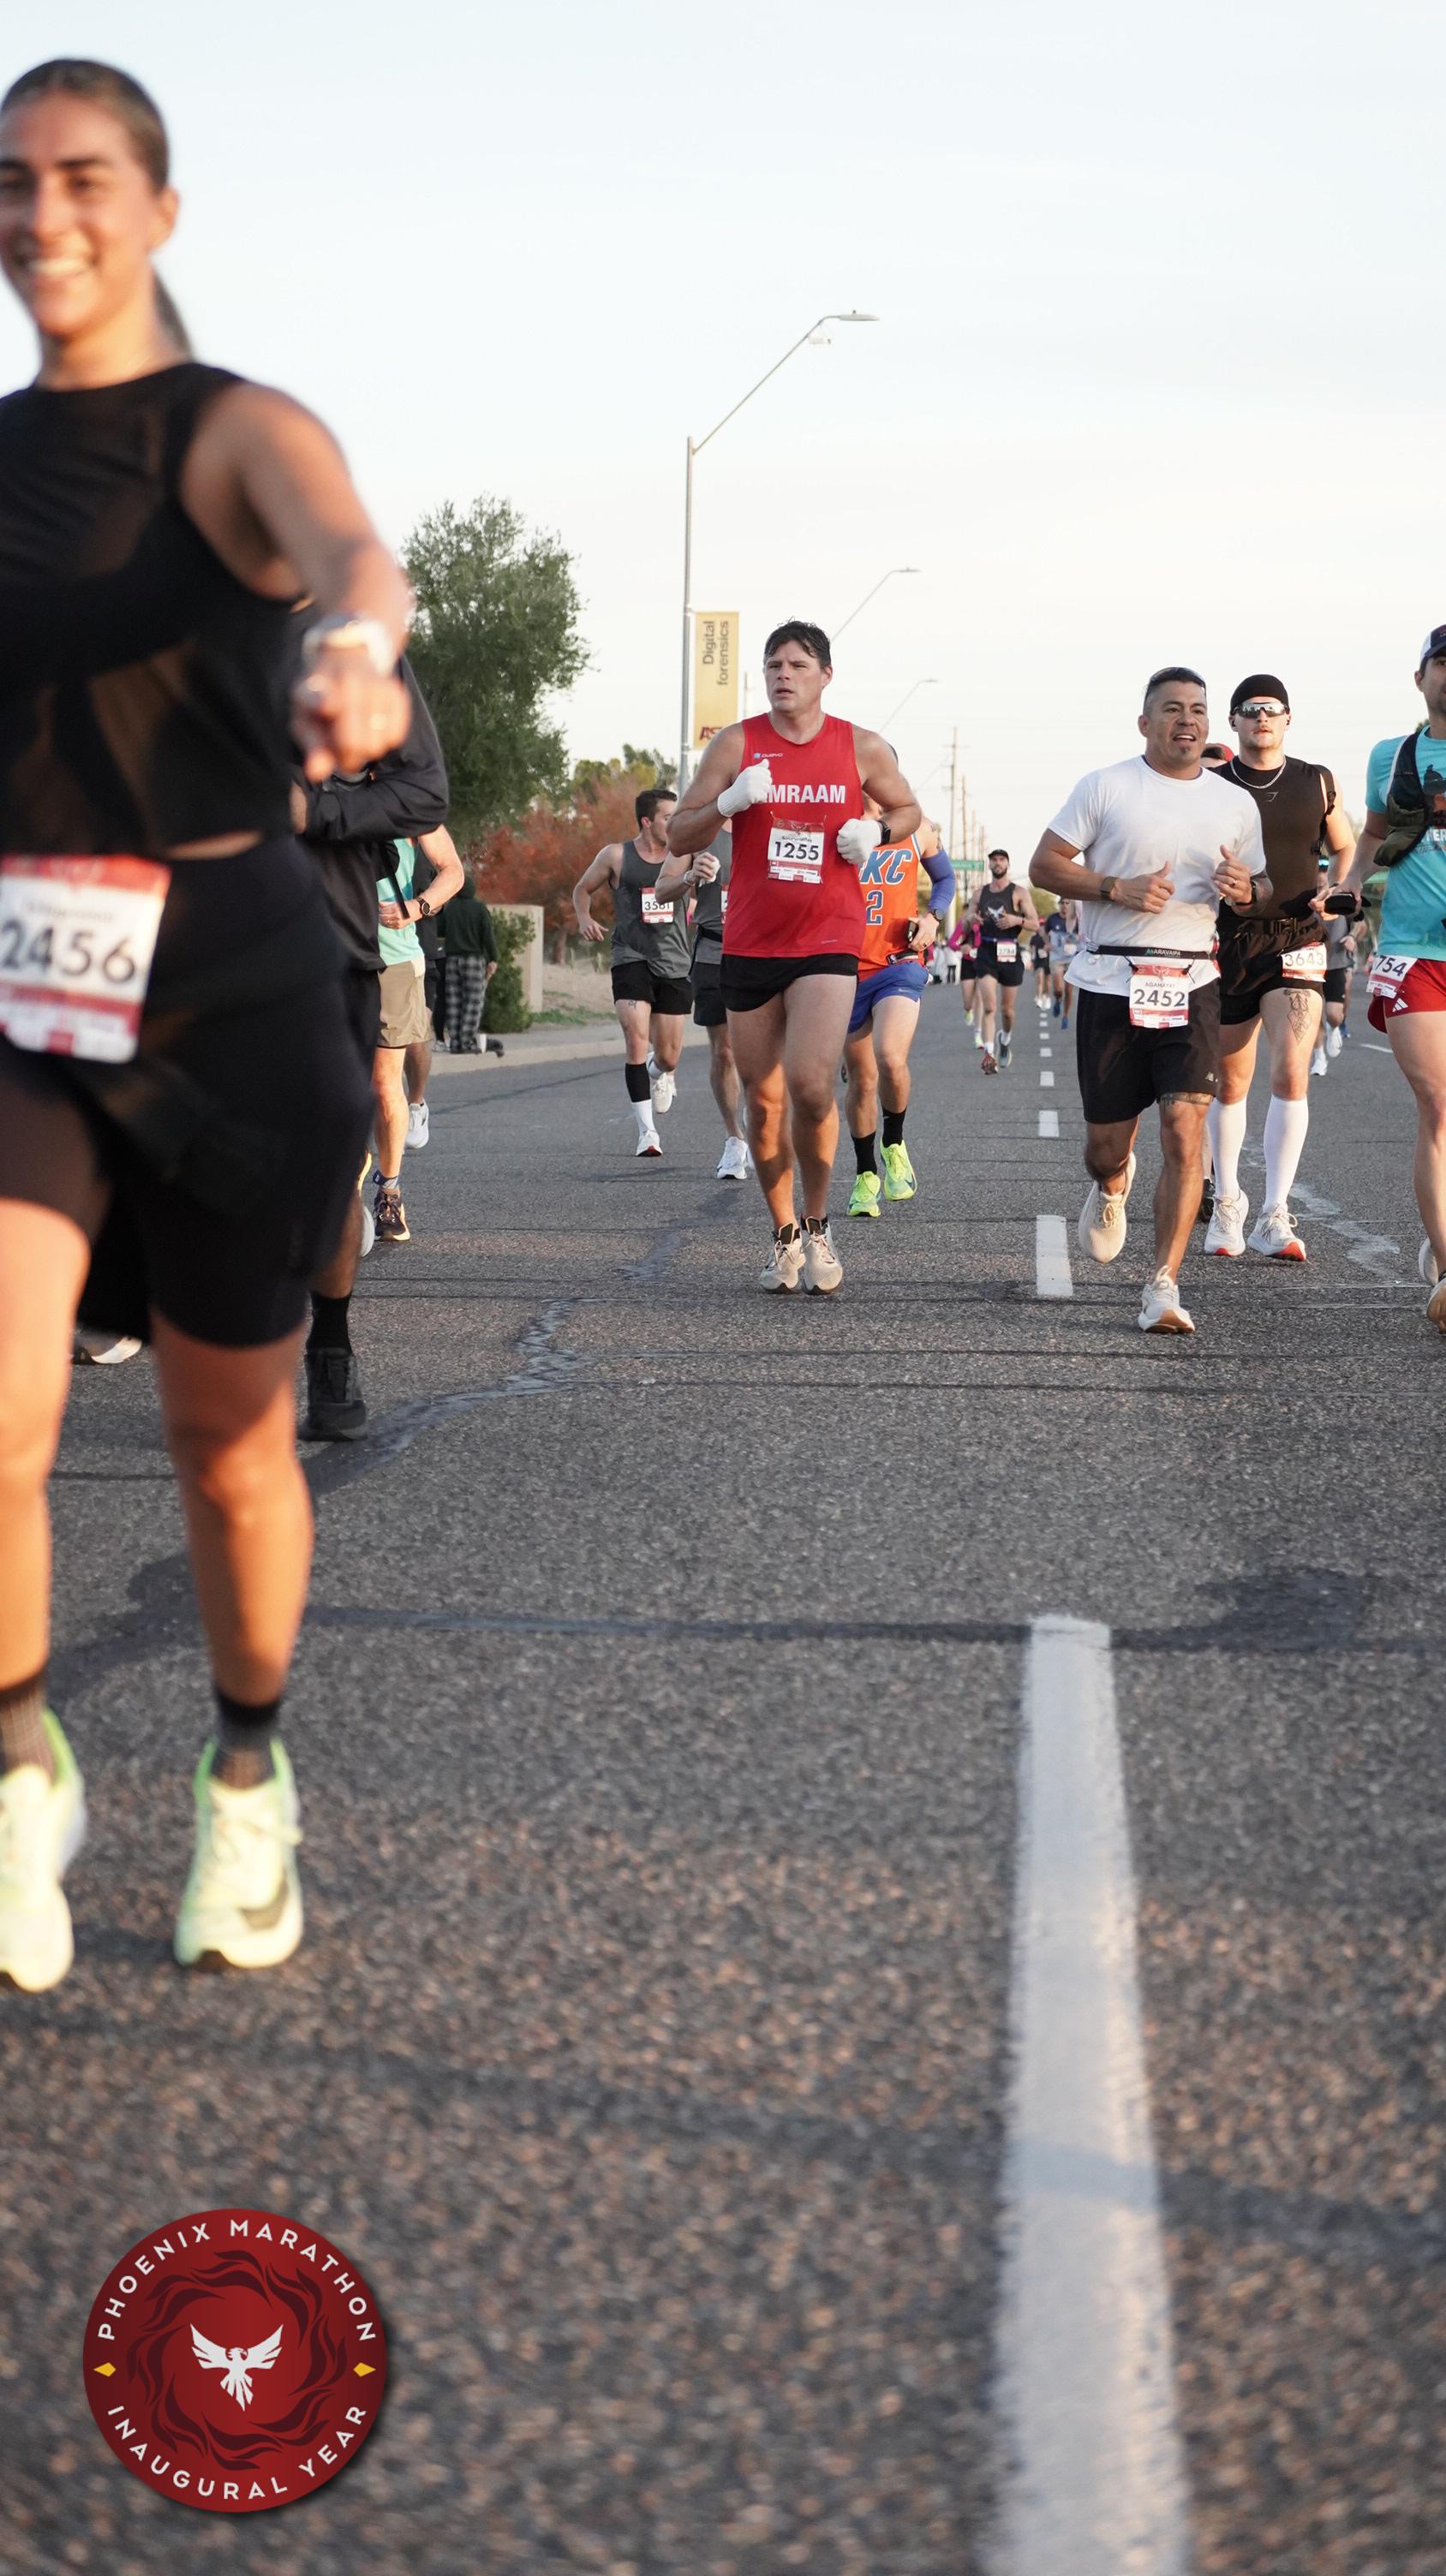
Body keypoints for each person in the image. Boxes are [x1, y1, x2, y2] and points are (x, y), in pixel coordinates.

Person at [0, 57, 414, 1990]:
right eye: (13, 181)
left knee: (224, 1443)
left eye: (83, 176)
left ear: (158, 208)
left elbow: (348, 549)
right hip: (27, 994)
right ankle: (22, 1768)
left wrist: (357, 646)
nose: (43, 212)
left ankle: (248, 1775)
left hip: (233, 989)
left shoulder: (230, 427)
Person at [666, 620, 920, 1292]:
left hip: (827, 939)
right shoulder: (737, 743)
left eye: (799, 665)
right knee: (765, 1099)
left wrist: (877, 830)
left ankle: (818, 1225)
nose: (784, 675)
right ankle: (783, 1236)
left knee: (811, 1083)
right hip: (751, 941)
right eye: (774, 665)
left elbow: (909, 809)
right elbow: (680, 834)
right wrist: (728, 802)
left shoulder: (859, 746)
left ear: (825, 675)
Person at [1029, 668, 1268, 1333]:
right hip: (1111, 978)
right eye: (1171, 709)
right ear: (1145, 723)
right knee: (1105, 1147)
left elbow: (1262, 887)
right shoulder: (1106, 786)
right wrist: (1115, 888)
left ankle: (1164, 1282)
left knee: (1186, 1131)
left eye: (1197, 709)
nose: (1186, 720)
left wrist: (1247, 891)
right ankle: (1112, 1184)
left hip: (1192, 981)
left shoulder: (1234, 804)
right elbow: (1045, 866)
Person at [292, 654, 448, 1441]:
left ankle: (330, 1344)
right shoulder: (164, 621)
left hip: (338, 950)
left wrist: (315, 808)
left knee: (324, 1171)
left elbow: (424, 792)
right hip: (194, 939)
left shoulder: (352, 640)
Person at [1203, 676, 1354, 1261]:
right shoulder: (1212, 785)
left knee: (1292, 1074)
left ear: (1288, 718)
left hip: (1298, 936)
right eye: (1249, 710)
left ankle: (1274, 1212)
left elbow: (1345, 846)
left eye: (1271, 709)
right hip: (1229, 941)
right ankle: (1227, 1201)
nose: (1261, 718)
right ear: (1234, 722)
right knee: (1230, 1083)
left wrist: (1337, 888)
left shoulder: (1316, 781)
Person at [1330, 624, 1446, 1327]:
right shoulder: (1392, 756)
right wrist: (1348, 886)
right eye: (1443, 662)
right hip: (1413, 951)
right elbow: (1374, 834)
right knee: (1438, 1103)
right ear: (1421, 677)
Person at [573, 787, 698, 1160]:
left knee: (669, 1056)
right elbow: (582, 889)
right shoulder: (616, 856)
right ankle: (647, 1133)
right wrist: (584, 917)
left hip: (674, 960)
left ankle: (660, 1072)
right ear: (647, 821)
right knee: (635, 1040)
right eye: (668, 818)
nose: (674, 824)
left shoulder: (685, 855)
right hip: (630, 956)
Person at [842, 809, 954, 1215]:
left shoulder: (917, 827)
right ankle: (865, 1174)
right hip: (845, 967)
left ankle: (893, 1142)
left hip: (899, 962)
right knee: (861, 1079)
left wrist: (933, 917)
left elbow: (945, 878)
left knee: (889, 1057)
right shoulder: (837, 820)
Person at [371, 825, 463, 1243]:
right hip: (329, 957)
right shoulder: (322, 794)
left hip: (393, 960)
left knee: (382, 1082)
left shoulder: (405, 803)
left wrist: (417, 906)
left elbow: (452, 870)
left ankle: (389, 1193)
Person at [654, 824, 750, 1178]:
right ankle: (735, 1139)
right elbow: (662, 889)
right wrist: (690, 876)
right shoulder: (700, 831)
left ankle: (762, 1120)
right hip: (714, 949)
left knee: (765, 1052)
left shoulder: (776, 820)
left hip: (764, 950)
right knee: (724, 1051)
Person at [969, 849, 1039, 1072]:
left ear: (1007, 864)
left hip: (1009, 950)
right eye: (994, 860)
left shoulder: (1018, 892)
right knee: (989, 1006)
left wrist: (1016, 920)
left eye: (1001, 860)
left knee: (1007, 1011)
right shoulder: (979, 894)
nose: (997, 863)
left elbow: (1035, 923)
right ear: (989, 865)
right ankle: (989, 1055)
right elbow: (967, 919)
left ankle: (1005, 1039)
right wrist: (972, 919)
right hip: (987, 950)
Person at [439, 853, 505, 1056]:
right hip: (473, 960)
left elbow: (439, 929)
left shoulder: (450, 908)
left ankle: (455, 1042)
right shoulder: (479, 909)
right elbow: (488, 935)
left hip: (452, 960)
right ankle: (466, 1041)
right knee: (473, 1002)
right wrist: (493, 958)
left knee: (454, 1002)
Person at [1045, 903, 1079, 1025]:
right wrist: (1047, 943)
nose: (1065, 906)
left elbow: (1082, 935)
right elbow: (1044, 931)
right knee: (1059, 988)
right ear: (1059, 905)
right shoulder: (1053, 918)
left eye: (1067, 903)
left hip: (1071, 957)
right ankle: (1058, 1000)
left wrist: (1074, 939)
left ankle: (1066, 1016)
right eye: (1063, 903)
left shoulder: (1076, 919)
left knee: (1069, 990)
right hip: (1056, 957)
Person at [1030, 920, 1051, 1011]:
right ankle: (1039, 997)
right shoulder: (1034, 938)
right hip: (1039, 962)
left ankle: (1046, 996)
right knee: (1040, 979)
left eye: (1043, 925)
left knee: (1048, 981)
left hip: (1048, 961)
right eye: (1040, 925)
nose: (1042, 927)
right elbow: (1032, 949)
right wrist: (1032, 960)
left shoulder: (1049, 937)